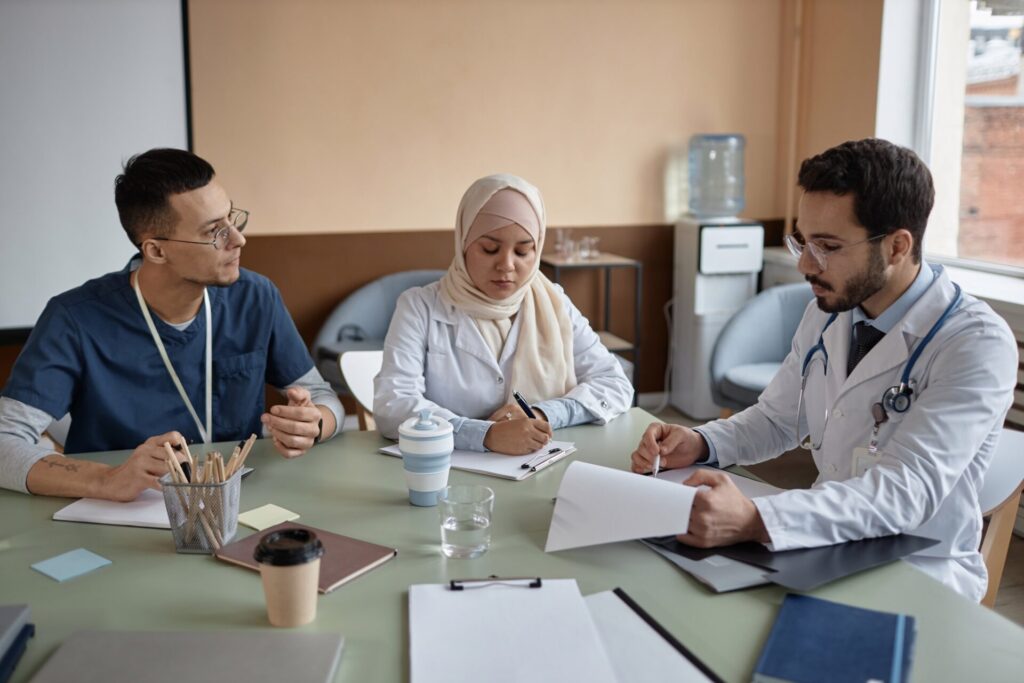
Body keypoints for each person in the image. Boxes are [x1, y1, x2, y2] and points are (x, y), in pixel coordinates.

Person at [631, 139, 1017, 601]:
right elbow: (778, 417)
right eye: (802, 240)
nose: (804, 264)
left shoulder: (975, 343)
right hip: (822, 544)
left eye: (827, 246)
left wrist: (757, 520)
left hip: (917, 569)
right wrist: (703, 442)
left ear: (897, 246)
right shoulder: (830, 310)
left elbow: (904, 492)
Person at [0, 148, 343, 501]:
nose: (238, 239)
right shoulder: (74, 318)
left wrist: (314, 424)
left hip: (237, 505)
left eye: (232, 218)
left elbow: (324, 399)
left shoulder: (255, 297)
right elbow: (4, 441)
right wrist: (107, 479)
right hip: (122, 519)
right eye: (215, 231)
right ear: (156, 251)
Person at [374, 173, 633, 454]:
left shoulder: (553, 302)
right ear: (463, 244)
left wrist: (542, 414)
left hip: (543, 468)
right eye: (490, 249)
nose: (506, 265)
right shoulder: (419, 307)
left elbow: (615, 384)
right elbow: (393, 405)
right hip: (448, 474)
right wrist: (485, 435)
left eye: (523, 252)